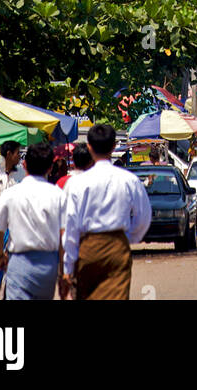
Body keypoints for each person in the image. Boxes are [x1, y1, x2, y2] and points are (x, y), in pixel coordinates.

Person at [61, 123, 152, 301]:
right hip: (116, 247)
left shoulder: (77, 183)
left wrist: (67, 268)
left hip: (87, 248)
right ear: (113, 146)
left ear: (89, 147)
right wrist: (128, 238)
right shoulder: (128, 180)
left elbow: (70, 227)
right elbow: (143, 217)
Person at [0, 141, 64, 301]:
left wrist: (0, 255)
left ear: (25, 164)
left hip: (19, 262)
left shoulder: (11, 194)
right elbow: (64, 236)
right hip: (48, 265)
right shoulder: (57, 194)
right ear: (50, 168)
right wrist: (63, 272)